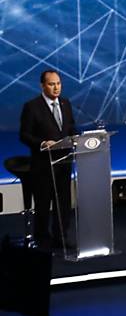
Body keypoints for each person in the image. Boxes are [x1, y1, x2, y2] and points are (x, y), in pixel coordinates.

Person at [19, 70, 76, 250]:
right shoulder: (32, 107)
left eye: (58, 83)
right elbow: (24, 135)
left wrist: (76, 138)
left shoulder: (66, 104)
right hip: (43, 165)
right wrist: (43, 143)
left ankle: (61, 238)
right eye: (52, 84)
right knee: (43, 205)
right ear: (43, 86)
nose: (56, 87)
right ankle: (43, 241)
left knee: (63, 204)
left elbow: (71, 127)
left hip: (64, 163)